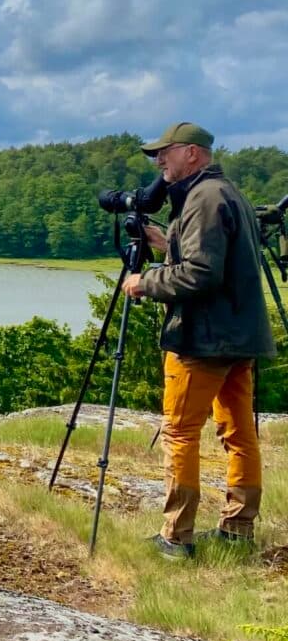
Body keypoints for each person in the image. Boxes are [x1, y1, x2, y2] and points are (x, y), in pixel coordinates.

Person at [121, 122, 277, 558]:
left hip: (203, 339)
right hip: (238, 336)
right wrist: (165, 239)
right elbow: (212, 257)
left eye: (164, 153)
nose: (158, 162)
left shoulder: (203, 198)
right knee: (239, 433)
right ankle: (238, 527)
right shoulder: (226, 192)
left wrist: (144, 282)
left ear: (192, 153)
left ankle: (176, 536)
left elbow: (202, 274)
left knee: (181, 432)